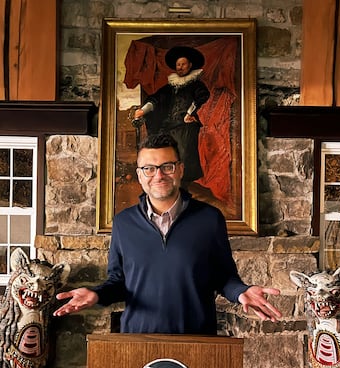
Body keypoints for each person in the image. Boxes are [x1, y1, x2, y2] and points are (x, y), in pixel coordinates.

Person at [53, 133, 282, 333]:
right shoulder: (123, 223)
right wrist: (97, 294)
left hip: (197, 341)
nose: (158, 175)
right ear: (140, 174)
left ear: (180, 169)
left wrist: (241, 291)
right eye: (149, 169)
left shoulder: (210, 219)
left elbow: (223, 277)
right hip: (138, 340)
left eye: (167, 166)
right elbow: (119, 281)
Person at [133, 46, 210, 189]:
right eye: (178, 65)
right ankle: (167, 184)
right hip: (169, 125)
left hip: (186, 126)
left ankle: (183, 188)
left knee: (183, 155)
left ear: (190, 65)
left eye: (183, 64)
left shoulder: (197, 85)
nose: (180, 67)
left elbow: (202, 99)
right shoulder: (170, 87)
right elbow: (156, 99)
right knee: (165, 154)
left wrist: (190, 114)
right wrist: (143, 111)